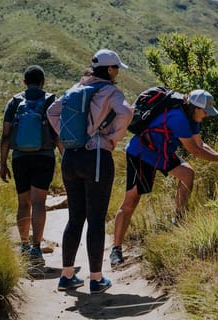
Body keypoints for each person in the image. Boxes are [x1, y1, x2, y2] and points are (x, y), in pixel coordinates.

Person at [109, 89, 218, 266]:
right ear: (195, 108)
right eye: (205, 112)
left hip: (162, 152)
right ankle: (116, 249)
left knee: (187, 174)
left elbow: (200, 144)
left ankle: (178, 219)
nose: (207, 116)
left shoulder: (192, 117)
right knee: (131, 201)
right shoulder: (178, 118)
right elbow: (195, 150)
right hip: (142, 153)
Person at [47, 49, 133, 293]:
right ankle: (96, 279)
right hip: (96, 157)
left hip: (70, 158)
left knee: (75, 218)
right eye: (116, 68)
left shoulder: (75, 89)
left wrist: (68, 137)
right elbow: (126, 112)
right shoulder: (110, 91)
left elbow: (52, 112)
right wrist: (111, 137)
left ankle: (66, 276)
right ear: (108, 69)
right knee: (95, 218)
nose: (117, 72)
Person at [0, 65, 58, 267]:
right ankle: (36, 248)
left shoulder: (14, 102)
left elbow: (6, 135)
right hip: (44, 156)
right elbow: (58, 134)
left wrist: (2, 163)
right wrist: (66, 158)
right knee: (39, 203)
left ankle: (23, 246)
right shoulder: (51, 101)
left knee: (23, 203)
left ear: (24, 82)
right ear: (43, 82)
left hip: (19, 158)